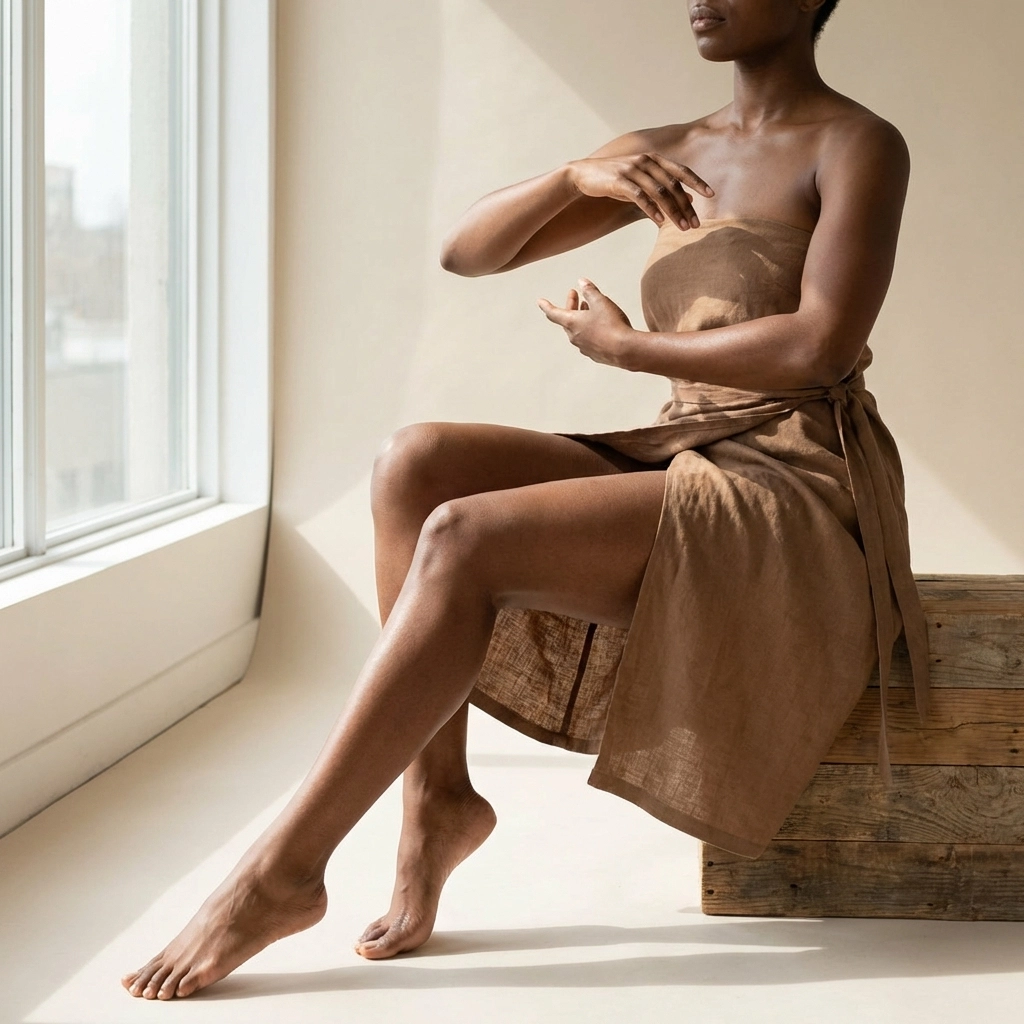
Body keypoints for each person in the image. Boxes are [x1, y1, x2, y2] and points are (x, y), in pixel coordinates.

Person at [122, 0, 929, 1000]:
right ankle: (437, 799)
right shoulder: (666, 150)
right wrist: (569, 176)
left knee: (464, 537)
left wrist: (629, 348)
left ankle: (277, 875)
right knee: (413, 464)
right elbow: (468, 252)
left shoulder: (857, 144)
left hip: (794, 482)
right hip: (684, 449)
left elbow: (817, 345)